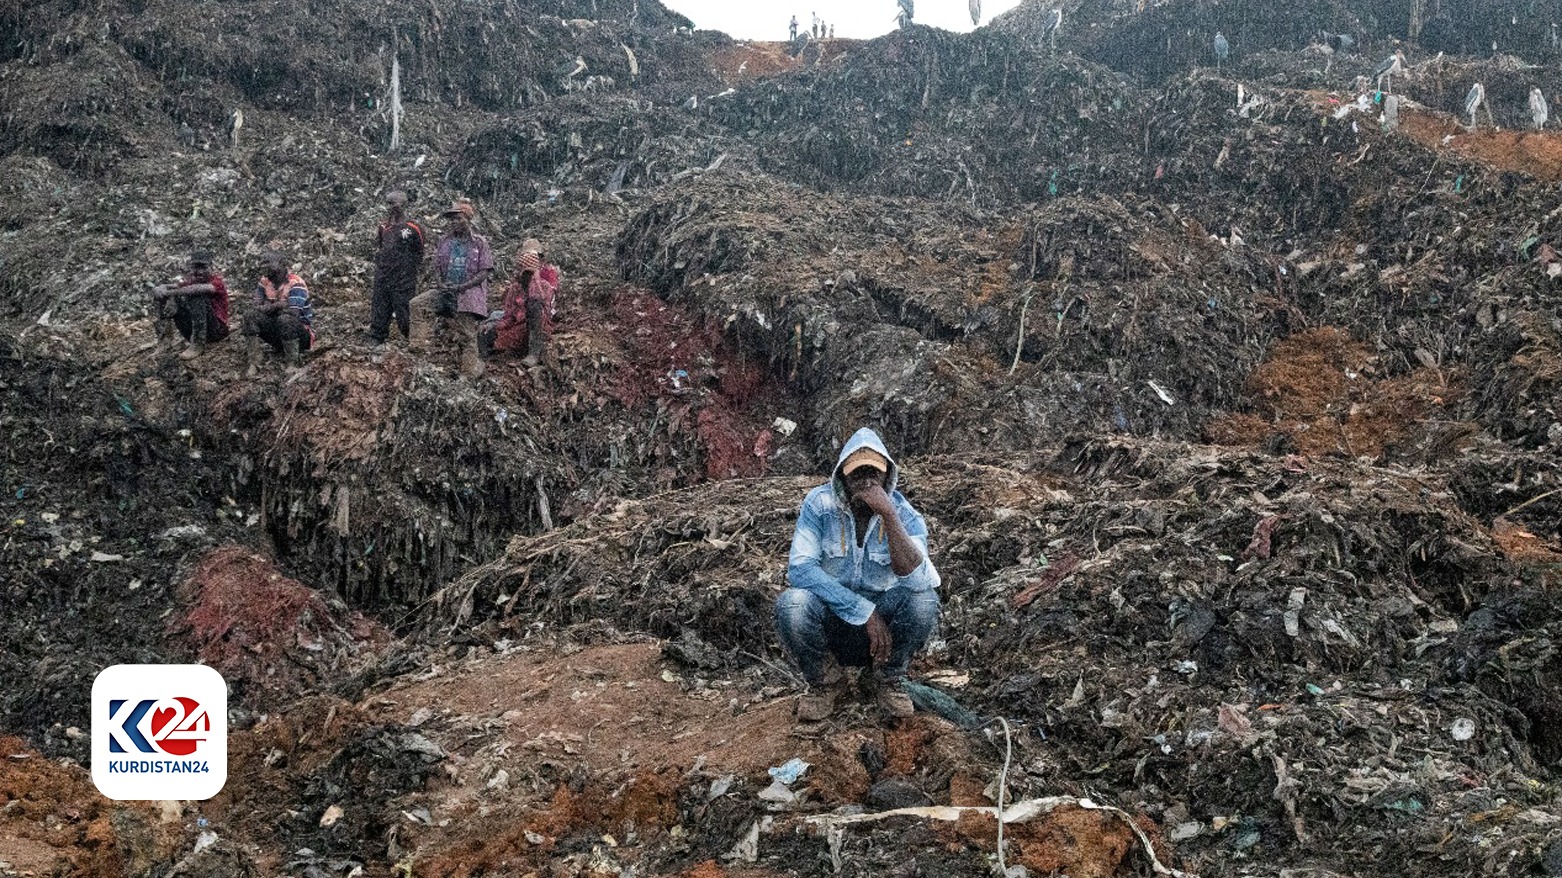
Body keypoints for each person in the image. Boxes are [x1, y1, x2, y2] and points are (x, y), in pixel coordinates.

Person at [776, 428, 941, 721]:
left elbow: (920, 580)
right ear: (843, 478)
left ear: (886, 476)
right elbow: (800, 569)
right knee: (793, 604)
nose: (866, 484)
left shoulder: (904, 514)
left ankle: (887, 679)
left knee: (924, 601)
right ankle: (826, 683)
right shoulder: (819, 504)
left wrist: (889, 516)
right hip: (833, 625)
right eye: (857, 476)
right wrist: (862, 610)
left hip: (883, 638)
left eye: (873, 475)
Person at [410, 199, 492, 377]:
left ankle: (469, 372)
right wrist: (440, 284)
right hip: (445, 292)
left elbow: (484, 271)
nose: (454, 223)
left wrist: (462, 286)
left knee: (467, 336)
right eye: (452, 220)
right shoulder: (445, 241)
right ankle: (418, 348)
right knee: (417, 304)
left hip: (466, 295)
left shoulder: (479, 243)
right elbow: (437, 266)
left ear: (468, 220)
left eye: (458, 218)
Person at [486, 238, 558, 367]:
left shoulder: (545, 286)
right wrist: (497, 326)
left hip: (537, 327)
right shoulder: (515, 289)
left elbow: (546, 310)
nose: (527, 277)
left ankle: (534, 353)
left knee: (534, 305)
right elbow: (509, 315)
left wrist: (534, 283)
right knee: (489, 330)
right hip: (518, 326)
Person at [369, 190, 424, 348]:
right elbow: (381, 247)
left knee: (403, 309)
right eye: (389, 203)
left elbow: (419, 251)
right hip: (383, 275)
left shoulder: (412, 228)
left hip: (403, 278)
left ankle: (411, 338)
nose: (392, 207)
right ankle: (377, 336)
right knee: (380, 306)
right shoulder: (383, 227)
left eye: (395, 203)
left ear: (404, 204)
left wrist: (408, 271)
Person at [153, 250, 231, 361]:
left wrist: (169, 293)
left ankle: (198, 345)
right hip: (192, 331)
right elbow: (173, 286)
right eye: (195, 267)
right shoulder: (192, 281)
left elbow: (196, 289)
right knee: (162, 296)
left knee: (196, 295)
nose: (199, 272)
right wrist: (160, 288)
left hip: (217, 331)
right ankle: (164, 342)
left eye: (203, 267)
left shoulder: (217, 282)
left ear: (211, 267)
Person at [247, 250, 315, 367]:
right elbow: (255, 306)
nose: (262, 266)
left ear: (280, 264)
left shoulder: (296, 283)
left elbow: (293, 313)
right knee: (250, 315)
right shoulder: (264, 282)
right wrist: (280, 305)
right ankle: (254, 363)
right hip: (277, 330)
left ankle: (292, 363)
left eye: (267, 262)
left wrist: (269, 306)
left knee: (285, 319)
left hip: (301, 336)